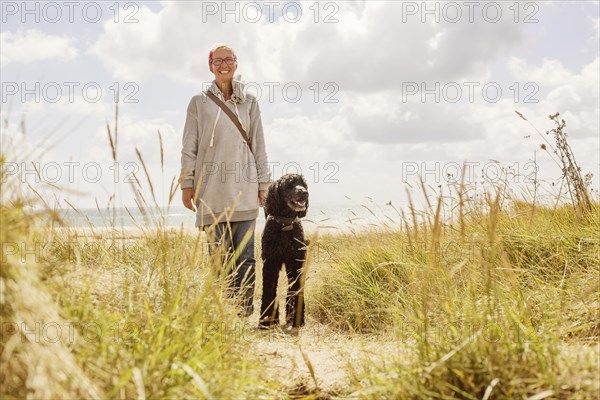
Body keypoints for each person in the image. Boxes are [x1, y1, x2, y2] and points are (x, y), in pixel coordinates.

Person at [180, 43, 271, 316]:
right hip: (211, 193)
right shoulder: (198, 102)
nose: (223, 65)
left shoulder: (250, 101)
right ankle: (224, 312)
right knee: (219, 259)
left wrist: (263, 185)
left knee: (246, 257)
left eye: (228, 59)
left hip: (245, 187)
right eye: (217, 60)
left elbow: (259, 145)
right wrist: (187, 183)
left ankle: (243, 311)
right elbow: (189, 146)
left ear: (236, 63)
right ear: (210, 66)